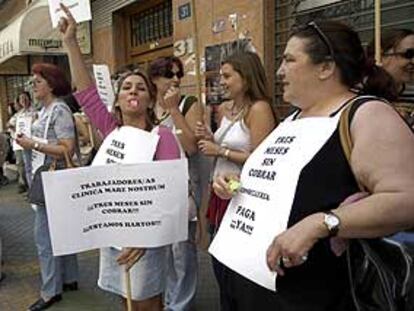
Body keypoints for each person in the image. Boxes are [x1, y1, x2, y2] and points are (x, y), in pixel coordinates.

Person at [212, 20, 414, 311]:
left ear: (325, 67)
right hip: (246, 285)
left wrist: (323, 223)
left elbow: (405, 199)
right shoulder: (293, 120)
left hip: (313, 294)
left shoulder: (366, 114)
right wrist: (238, 185)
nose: (280, 71)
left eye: (289, 60)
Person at [59, 4, 181, 310]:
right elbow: (85, 92)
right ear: (118, 99)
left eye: (141, 87)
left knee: (147, 304)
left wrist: (144, 239)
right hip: (114, 236)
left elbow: (174, 196)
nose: (133, 91)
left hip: (148, 240)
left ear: (150, 98)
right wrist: (71, 42)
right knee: (125, 300)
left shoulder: (162, 138)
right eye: (126, 86)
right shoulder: (110, 129)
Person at [196, 50, 276, 310]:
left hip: (242, 196)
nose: (223, 81)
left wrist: (221, 151)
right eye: (221, 76)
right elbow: (226, 144)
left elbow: (263, 160)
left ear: (246, 76)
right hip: (220, 193)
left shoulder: (259, 109)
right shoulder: (224, 109)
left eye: (228, 76)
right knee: (220, 264)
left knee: (236, 271)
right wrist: (211, 137)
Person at [15, 63, 79, 311]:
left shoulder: (59, 110)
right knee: (65, 231)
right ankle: (70, 278)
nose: (33, 86)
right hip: (50, 179)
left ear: (51, 84)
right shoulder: (45, 110)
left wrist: (33, 145)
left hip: (53, 180)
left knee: (44, 238)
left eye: (37, 81)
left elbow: (67, 149)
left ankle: (51, 290)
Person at [148, 56, 203, 311]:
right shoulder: (148, 107)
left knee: (182, 254)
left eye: (179, 74)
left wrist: (174, 111)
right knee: (163, 251)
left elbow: (191, 146)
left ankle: (181, 305)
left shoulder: (188, 103)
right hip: (153, 189)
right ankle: (169, 300)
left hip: (182, 189)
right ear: (154, 79)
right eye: (169, 75)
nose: (176, 80)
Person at [7, 91, 37, 191]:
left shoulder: (35, 112)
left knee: (33, 165)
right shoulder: (18, 115)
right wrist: (14, 127)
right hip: (21, 143)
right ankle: (29, 187)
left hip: (33, 142)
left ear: (29, 98)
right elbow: (9, 125)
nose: (23, 100)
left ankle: (35, 187)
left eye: (25, 98)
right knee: (23, 165)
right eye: (21, 99)